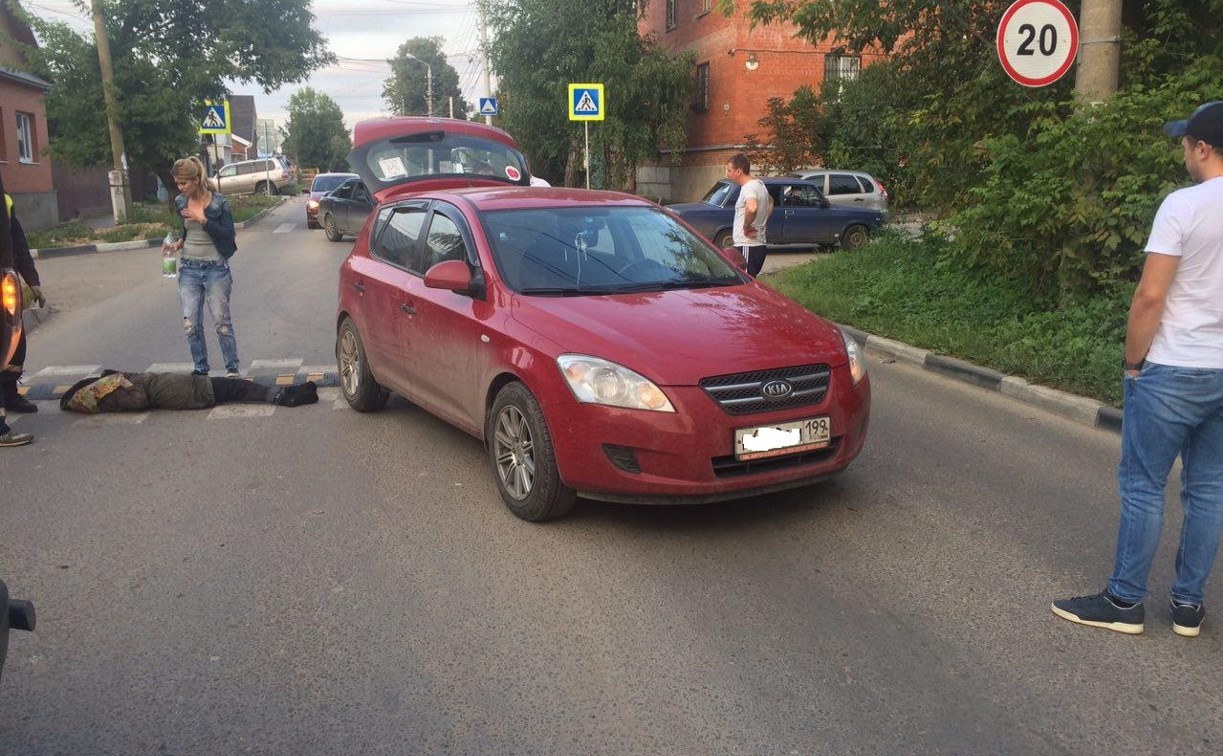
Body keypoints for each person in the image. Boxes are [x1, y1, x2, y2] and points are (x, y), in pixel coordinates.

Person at [1052, 101, 1223, 638]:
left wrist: (1132, 365)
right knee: (1210, 489)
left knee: (1144, 485)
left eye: (1185, 143)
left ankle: (1125, 602)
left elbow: (1151, 296)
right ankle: (1188, 607)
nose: (1183, 152)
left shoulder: (1183, 206)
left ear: (1202, 148)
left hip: (1173, 367)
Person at [170, 156, 240, 378]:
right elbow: (186, 230)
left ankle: (232, 368)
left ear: (195, 179)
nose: (180, 188)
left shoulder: (219, 203)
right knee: (191, 323)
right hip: (189, 268)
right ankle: (200, 369)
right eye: (177, 184)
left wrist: (204, 220)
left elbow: (229, 238)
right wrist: (177, 244)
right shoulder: (181, 202)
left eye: (183, 183)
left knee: (221, 322)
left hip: (216, 269)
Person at [60, 371, 318, 413]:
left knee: (239, 386)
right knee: (238, 388)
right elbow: (139, 400)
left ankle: (288, 392)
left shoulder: (112, 386)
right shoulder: (114, 395)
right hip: (193, 393)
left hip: (190, 385)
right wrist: (125, 383)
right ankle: (285, 397)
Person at [0, 171, 32, 447]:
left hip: (4, 282)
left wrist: (32, 281)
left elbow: (17, 239)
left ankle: (9, 395)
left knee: (14, 344)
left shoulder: (6, 200)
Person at [725, 153, 772, 276]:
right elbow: (771, 201)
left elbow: (752, 208)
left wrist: (746, 227)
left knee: (744, 285)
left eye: (729, 170)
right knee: (749, 283)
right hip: (758, 245)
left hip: (747, 245)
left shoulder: (748, 188)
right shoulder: (760, 185)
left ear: (739, 171)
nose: (727, 174)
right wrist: (763, 222)